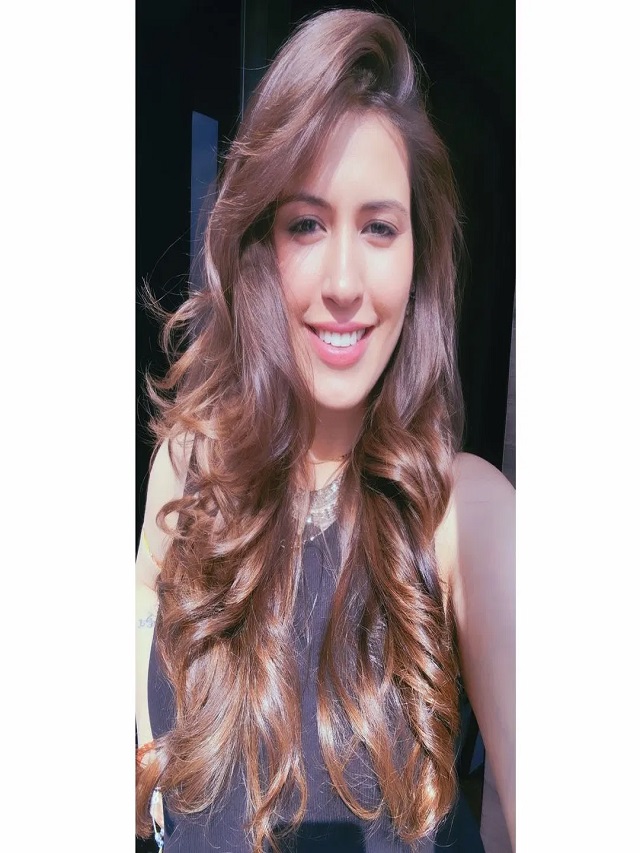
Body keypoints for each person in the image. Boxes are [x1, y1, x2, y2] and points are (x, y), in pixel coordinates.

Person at [135, 9, 514, 853]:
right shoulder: (187, 467)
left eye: (378, 227)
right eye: (305, 223)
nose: (344, 282)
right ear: (260, 246)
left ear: (418, 255)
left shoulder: (466, 515)